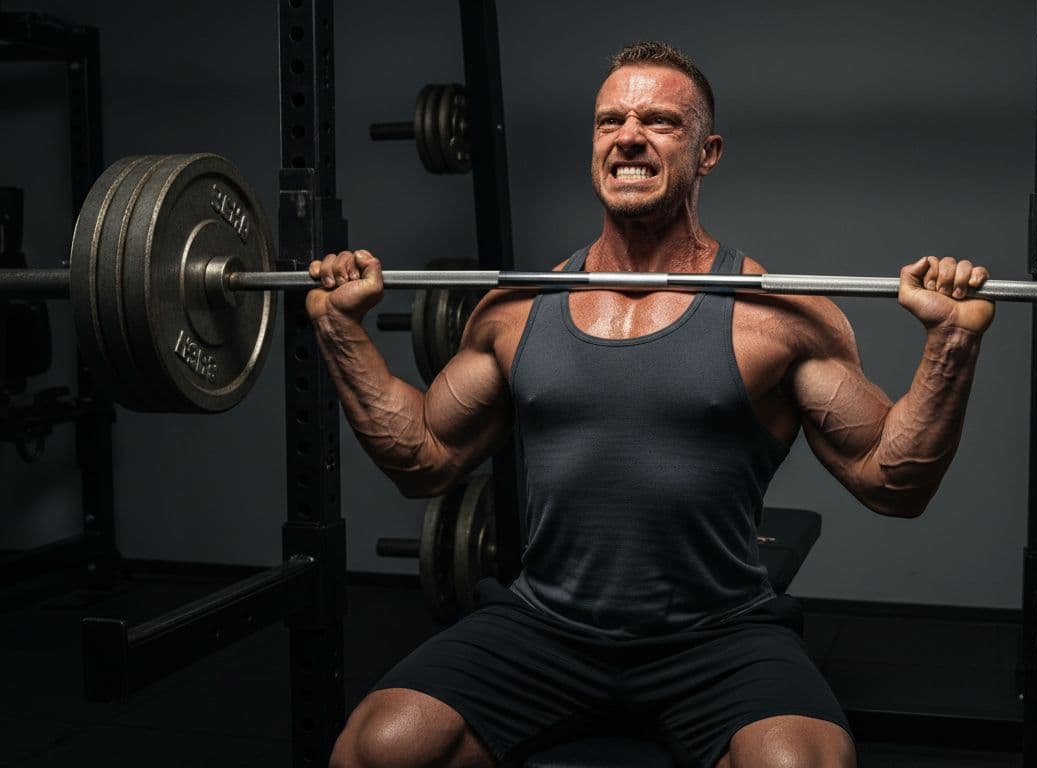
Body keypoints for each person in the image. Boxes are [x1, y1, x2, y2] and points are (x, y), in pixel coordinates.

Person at [313, 41, 993, 768]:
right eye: (610, 121)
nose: (629, 137)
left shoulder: (777, 317)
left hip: (718, 637)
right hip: (545, 629)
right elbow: (424, 458)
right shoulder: (516, 310)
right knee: (376, 749)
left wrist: (951, 343)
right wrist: (339, 330)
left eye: (660, 122)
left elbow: (893, 483)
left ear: (708, 153)